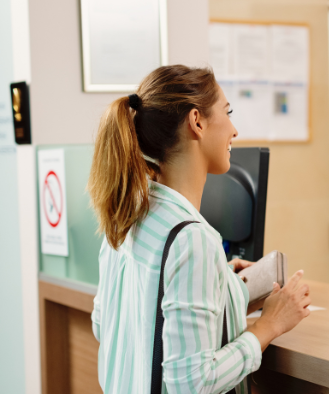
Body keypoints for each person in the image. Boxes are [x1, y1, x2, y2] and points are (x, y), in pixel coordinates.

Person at [88, 65, 311, 394]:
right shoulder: (191, 239)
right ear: (197, 121)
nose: (234, 130)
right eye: (227, 112)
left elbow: (103, 324)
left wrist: (225, 289)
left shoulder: (126, 213)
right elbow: (193, 384)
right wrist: (268, 326)